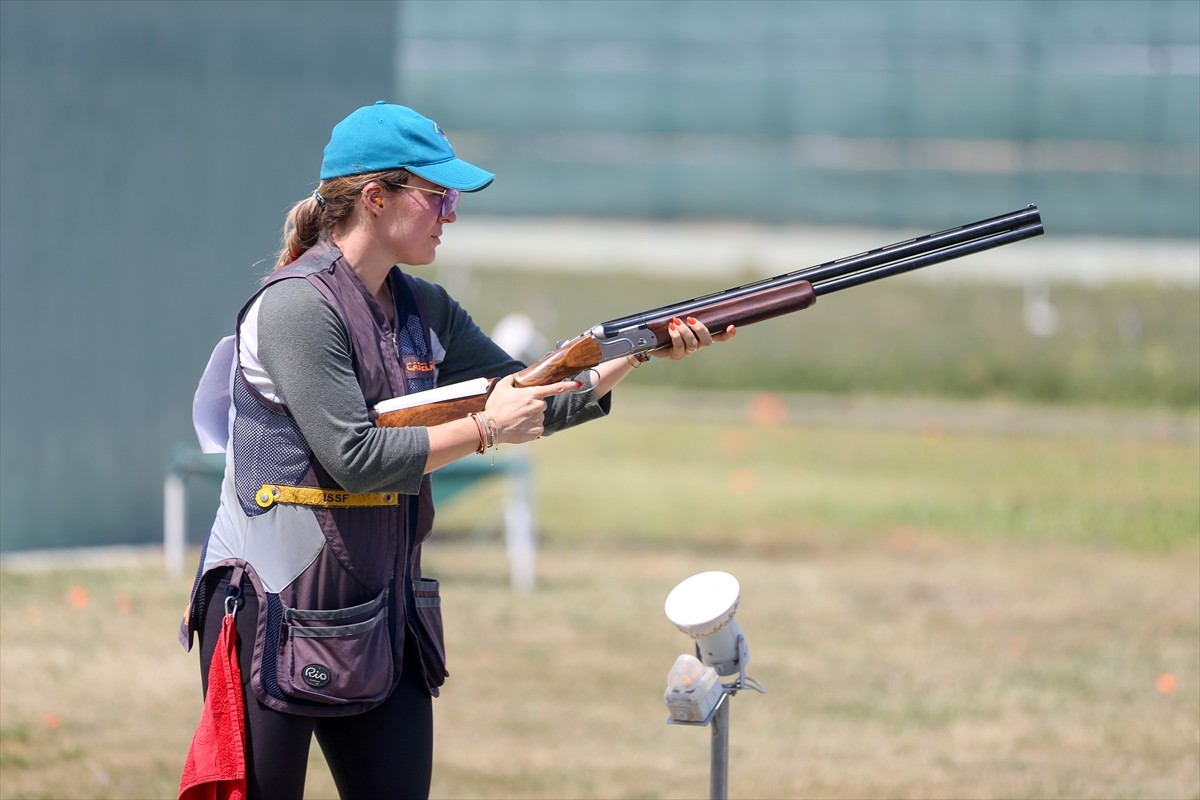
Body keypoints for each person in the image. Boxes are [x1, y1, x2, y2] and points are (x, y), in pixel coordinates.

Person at [179, 101, 734, 800]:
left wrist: (639, 352)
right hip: (271, 604)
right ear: (376, 200)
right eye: (437, 196)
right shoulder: (297, 307)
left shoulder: (424, 310)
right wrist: (486, 428)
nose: (451, 213)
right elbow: (354, 459)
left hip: (381, 608)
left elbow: (536, 397)